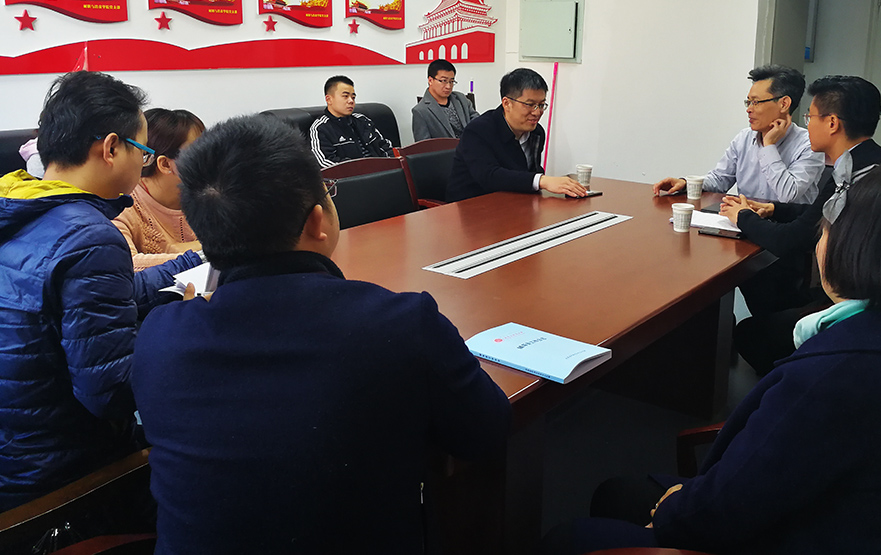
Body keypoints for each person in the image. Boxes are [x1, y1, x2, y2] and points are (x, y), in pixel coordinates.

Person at [544, 162, 881, 555]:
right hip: (854, 518)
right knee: (616, 494)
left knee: (566, 539)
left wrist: (675, 508)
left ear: (856, 250)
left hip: (786, 534)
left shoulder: (833, 378)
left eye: (825, 231)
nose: (819, 241)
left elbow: (724, 511)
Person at [132, 115, 512, 554]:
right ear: (318, 221)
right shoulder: (402, 324)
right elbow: (486, 431)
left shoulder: (160, 336)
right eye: (328, 191)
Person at [0, 71, 199, 511]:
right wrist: (184, 326)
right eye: (142, 152)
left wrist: (196, 261)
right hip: (60, 478)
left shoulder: (21, 205)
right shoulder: (89, 234)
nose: (143, 164)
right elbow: (110, 393)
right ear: (110, 148)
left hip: (14, 450)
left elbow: (101, 296)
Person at [721, 75, 881, 374]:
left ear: (832, 123)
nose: (807, 124)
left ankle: (796, 377)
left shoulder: (853, 175)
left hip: (860, 305)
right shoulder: (877, 164)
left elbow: (790, 240)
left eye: (810, 117)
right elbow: (819, 213)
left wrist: (742, 216)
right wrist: (775, 209)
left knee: (750, 333)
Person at [653, 65, 824, 204]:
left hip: (787, 230)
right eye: (748, 102)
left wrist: (769, 146)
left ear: (784, 104)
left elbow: (788, 194)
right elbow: (719, 180)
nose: (749, 109)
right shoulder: (744, 138)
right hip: (746, 223)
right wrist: (686, 183)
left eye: (756, 102)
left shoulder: (809, 145)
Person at [446, 68, 586, 202]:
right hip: (471, 207)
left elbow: (530, 172)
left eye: (541, 105)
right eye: (530, 104)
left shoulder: (536, 133)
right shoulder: (478, 130)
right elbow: (489, 176)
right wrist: (541, 180)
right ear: (507, 103)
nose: (537, 112)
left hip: (514, 203)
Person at [113, 108, 204, 271]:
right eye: (199, 152)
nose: (211, 159)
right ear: (165, 164)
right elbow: (126, 265)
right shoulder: (122, 203)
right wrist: (199, 255)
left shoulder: (210, 194)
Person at [309, 75, 392, 168]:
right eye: (345, 96)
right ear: (329, 99)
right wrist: (360, 170)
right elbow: (325, 163)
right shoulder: (321, 128)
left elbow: (385, 148)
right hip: (352, 175)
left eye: (353, 97)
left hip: (380, 171)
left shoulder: (362, 120)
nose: (351, 101)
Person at [412, 59, 479, 140]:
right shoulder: (420, 111)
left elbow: (478, 123)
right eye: (444, 81)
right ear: (430, 80)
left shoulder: (461, 99)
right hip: (445, 148)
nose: (448, 86)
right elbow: (424, 145)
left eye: (451, 81)